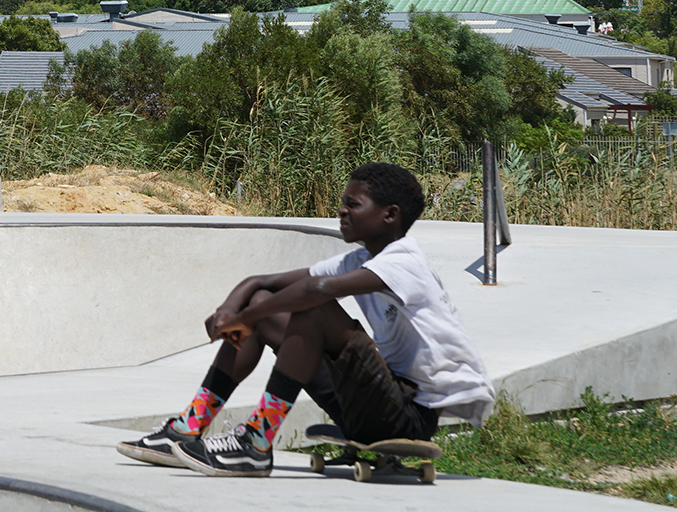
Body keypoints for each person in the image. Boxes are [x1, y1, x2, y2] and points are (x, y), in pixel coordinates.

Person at [116, 161, 493, 477]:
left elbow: (316, 292)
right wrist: (232, 310)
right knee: (267, 305)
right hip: (368, 402)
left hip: (407, 415)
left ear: (389, 215)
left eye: (353, 205)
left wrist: (247, 315)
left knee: (311, 310)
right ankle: (189, 427)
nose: (341, 211)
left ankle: (256, 443)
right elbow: (260, 282)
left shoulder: (406, 262)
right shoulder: (360, 259)